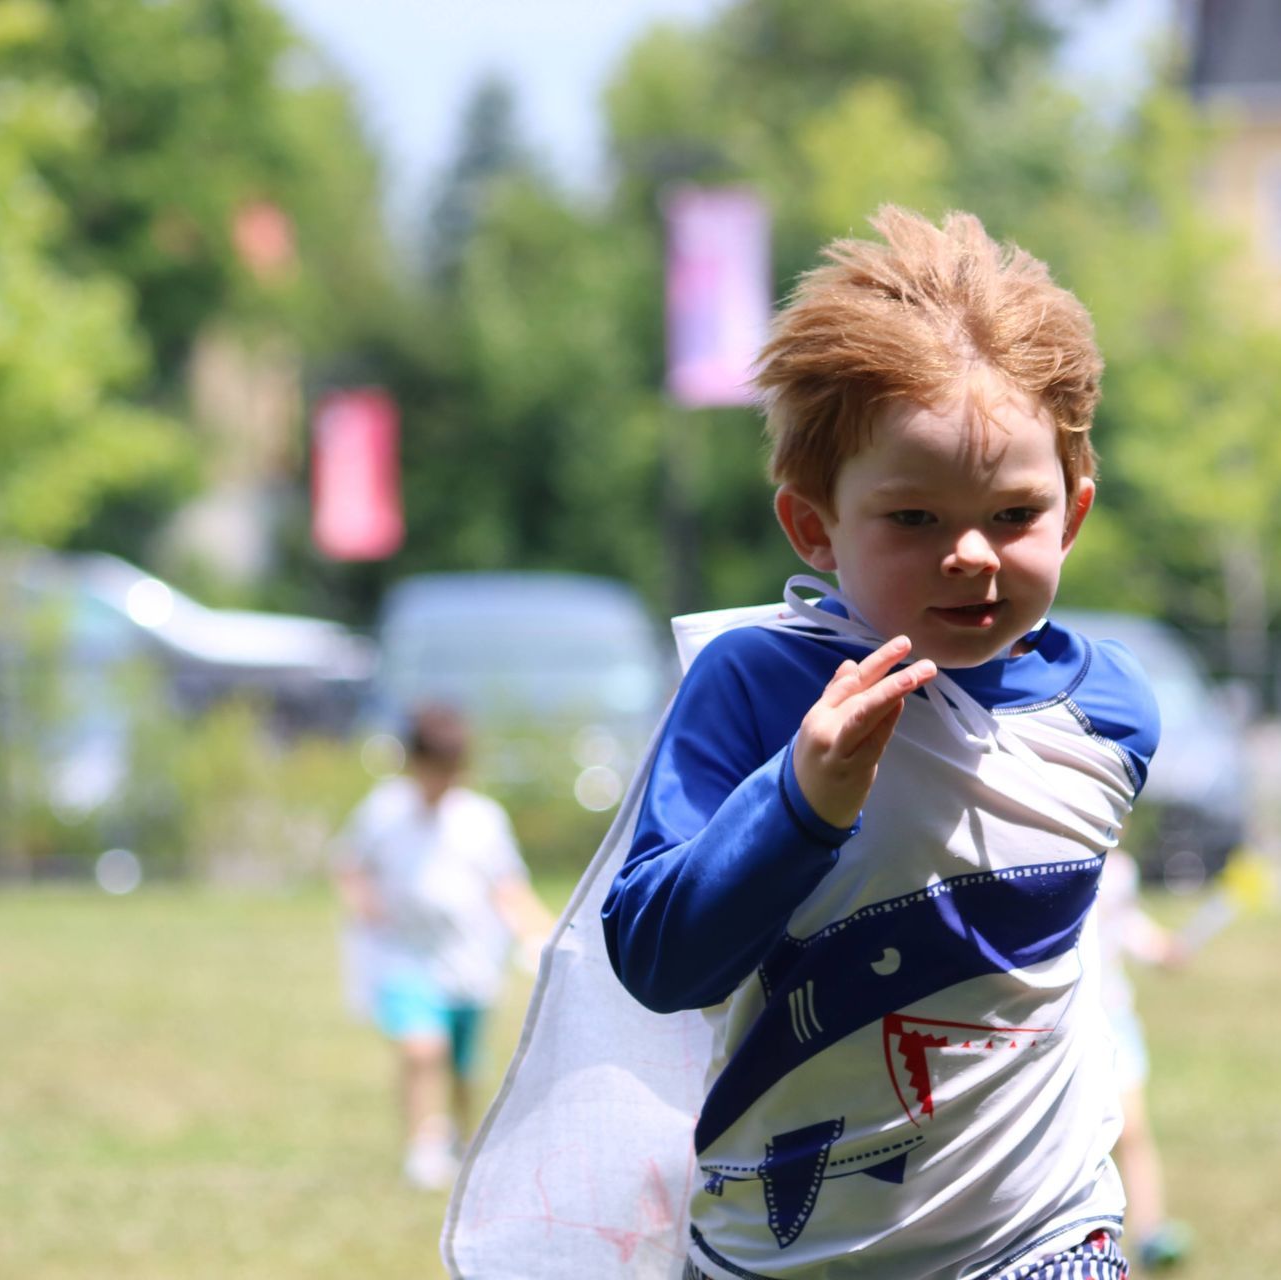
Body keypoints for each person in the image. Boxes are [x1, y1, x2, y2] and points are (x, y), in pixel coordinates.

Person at [599, 207, 1160, 1280]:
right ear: (815, 527)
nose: (969, 554)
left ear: (1074, 513)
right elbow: (662, 961)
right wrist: (802, 798)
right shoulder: (758, 684)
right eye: (912, 518)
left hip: (1041, 1239)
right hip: (784, 1251)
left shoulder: (1115, 711)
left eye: (1013, 513)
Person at [332, 703, 553, 1191]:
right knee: (420, 1049)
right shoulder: (383, 811)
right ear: (412, 763)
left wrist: (540, 933)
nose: (442, 782)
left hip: (467, 960)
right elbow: (350, 864)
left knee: (462, 1066)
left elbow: (507, 888)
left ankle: (458, 1135)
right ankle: (421, 1146)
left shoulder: (480, 820)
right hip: (403, 954)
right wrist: (364, 905)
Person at [1096, 850, 1192, 1272]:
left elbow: (1125, 926)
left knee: (1132, 1129)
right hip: (1067, 1024)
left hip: (1115, 1019)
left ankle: (1150, 1229)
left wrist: (1160, 949)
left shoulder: (1120, 871)